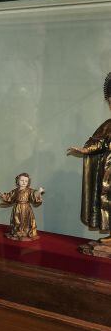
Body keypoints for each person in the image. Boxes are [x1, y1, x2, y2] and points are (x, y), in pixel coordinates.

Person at [67, 72, 111, 242]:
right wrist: (84, 150)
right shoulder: (108, 125)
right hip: (107, 170)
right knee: (106, 201)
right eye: (109, 102)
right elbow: (98, 143)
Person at [0, 173, 44, 241]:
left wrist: (39, 192)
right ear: (17, 181)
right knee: (17, 221)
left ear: (28, 182)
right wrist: (3, 196)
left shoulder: (29, 190)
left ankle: (26, 232)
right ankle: (17, 232)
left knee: (27, 221)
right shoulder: (15, 191)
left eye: (26, 181)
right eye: (22, 180)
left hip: (26, 208)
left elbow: (34, 195)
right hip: (17, 208)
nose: (24, 182)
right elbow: (9, 197)